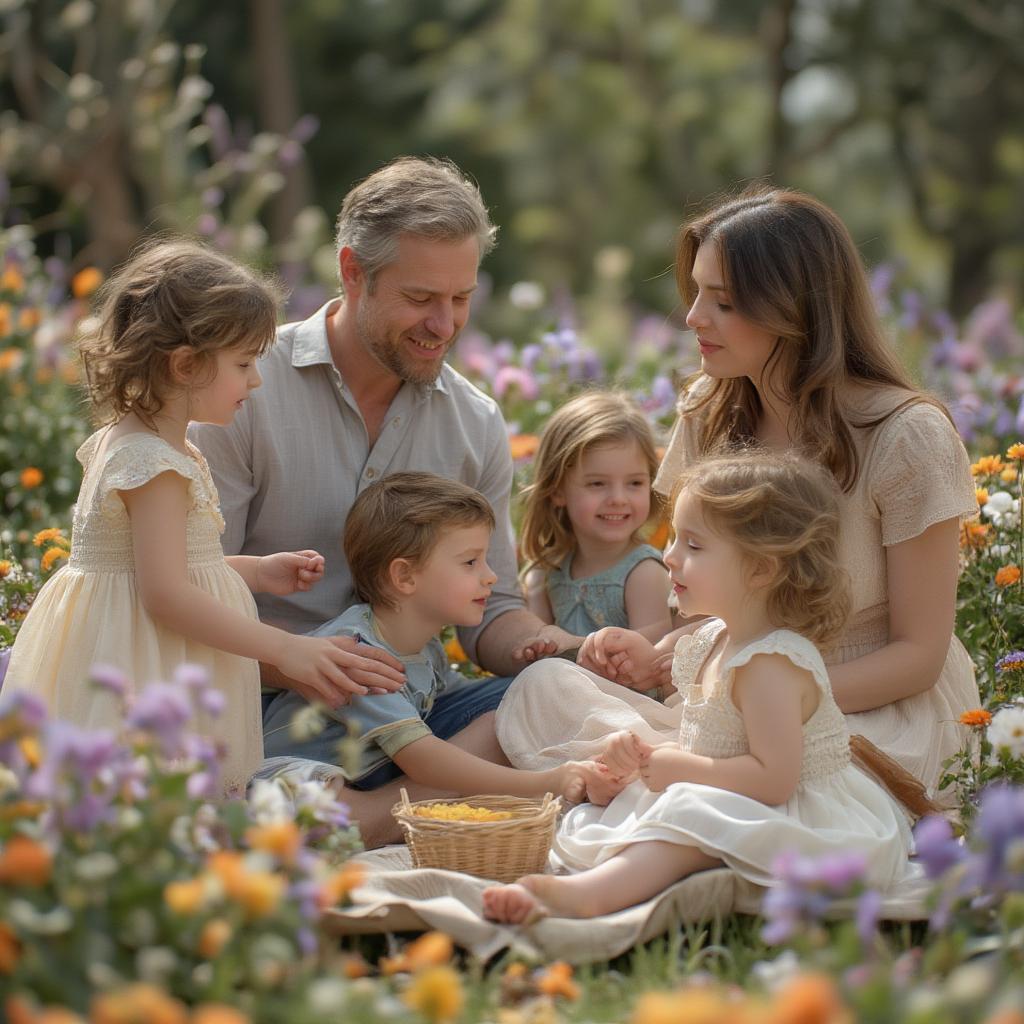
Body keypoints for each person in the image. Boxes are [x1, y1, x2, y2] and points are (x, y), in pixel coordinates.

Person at [496, 187, 980, 806]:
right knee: (543, 692)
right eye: (696, 292)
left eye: (722, 302)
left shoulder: (903, 435)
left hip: (868, 706)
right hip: (725, 695)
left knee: (728, 790)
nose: (693, 317)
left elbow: (919, 656)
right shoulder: (710, 411)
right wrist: (663, 654)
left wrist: (763, 700)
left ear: (795, 310)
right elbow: (706, 607)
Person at [190, 157, 561, 841]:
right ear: (352, 271)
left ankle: (371, 813)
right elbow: (193, 596)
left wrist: (556, 650)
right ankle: (400, 807)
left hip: (418, 709)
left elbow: (495, 613)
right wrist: (304, 665)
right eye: (422, 298)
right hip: (272, 712)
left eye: (461, 298)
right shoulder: (244, 391)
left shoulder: (473, 421)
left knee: (561, 699)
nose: (445, 325)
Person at [3, 240, 402, 796]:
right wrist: (284, 647)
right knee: (146, 794)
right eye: (242, 364)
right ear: (186, 365)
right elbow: (164, 594)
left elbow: (161, 565)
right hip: (143, 665)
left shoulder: (153, 445)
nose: (256, 381)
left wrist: (255, 572)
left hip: (133, 646)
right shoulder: (154, 464)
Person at [483, 453, 918, 922]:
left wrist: (677, 767)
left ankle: (594, 894)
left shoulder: (770, 663)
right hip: (739, 790)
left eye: (692, 545)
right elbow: (711, 738)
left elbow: (775, 779)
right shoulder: (716, 636)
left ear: (760, 569)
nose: (668, 556)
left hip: (803, 818)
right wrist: (642, 759)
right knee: (649, 802)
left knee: (689, 816)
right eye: (673, 539)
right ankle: (618, 873)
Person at [264, 472, 589, 801]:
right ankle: (377, 818)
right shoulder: (361, 656)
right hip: (300, 781)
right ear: (404, 576)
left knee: (525, 694)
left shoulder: (423, 645)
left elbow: (467, 705)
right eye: (470, 562)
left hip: (367, 768)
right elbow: (423, 760)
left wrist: (549, 666)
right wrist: (546, 782)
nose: (490, 577)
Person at [513, 391, 673, 663]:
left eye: (634, 483)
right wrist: (535, 647)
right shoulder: (546, 574)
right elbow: (539, 654)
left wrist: (573, 645)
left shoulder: (643, 572)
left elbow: (653, 652)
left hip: (625, 700)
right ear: (557, 490)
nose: (618, 499)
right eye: (597, 484)